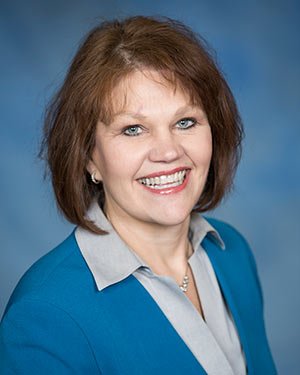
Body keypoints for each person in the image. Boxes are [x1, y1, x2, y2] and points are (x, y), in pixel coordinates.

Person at [0, 15, 276, 375]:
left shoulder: (233, 254)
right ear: (88, 157)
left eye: (185, 122)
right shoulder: (45, 315)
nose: (168, 151)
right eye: (133, 129)